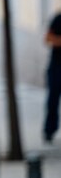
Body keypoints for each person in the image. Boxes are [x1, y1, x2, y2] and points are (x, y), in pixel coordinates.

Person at [44, 11, 61, 143]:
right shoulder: (58, 18)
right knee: (52, 100)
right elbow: (48, 38)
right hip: (56, 68)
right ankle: (49, 131)